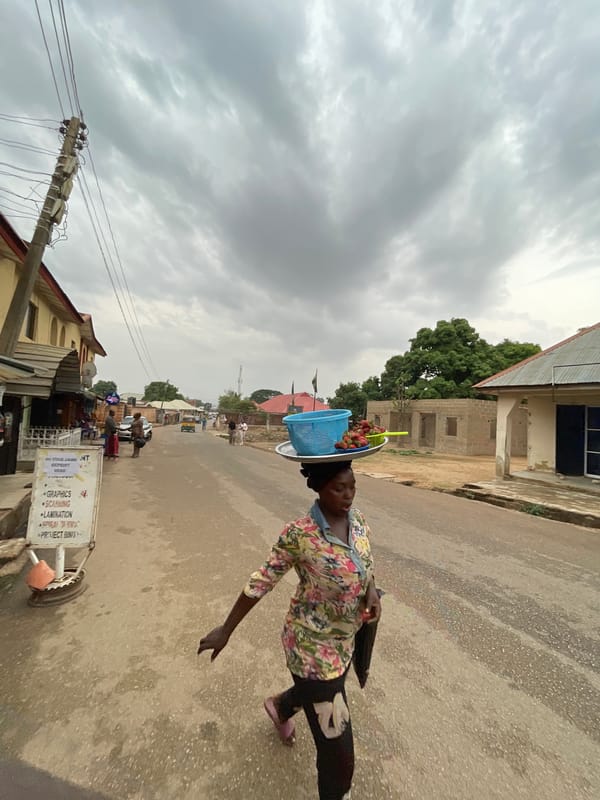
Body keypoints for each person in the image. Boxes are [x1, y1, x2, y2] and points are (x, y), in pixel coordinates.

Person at [198, 460, 381, 800]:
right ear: (318, 489)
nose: (347, 495)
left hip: (344, 641)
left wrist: (370, 591)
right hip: (311, 649)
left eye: (352, 486)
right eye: (337, 489)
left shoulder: (358, 521)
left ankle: (281, 707)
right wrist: (226, 629)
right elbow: (262, 581)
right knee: (339, 755)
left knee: (323, 689)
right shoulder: (300, 534)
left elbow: (364, 565)